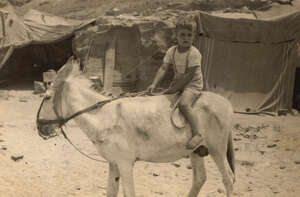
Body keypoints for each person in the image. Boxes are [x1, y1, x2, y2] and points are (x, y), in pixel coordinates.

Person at [146, 16, 205, 150]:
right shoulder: (172, 51)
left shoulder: (194, 53)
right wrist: (154, 84)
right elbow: (163, 68)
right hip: (178, 82)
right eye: (182, 35)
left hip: (192, 84)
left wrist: (174, 89)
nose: (186, 38)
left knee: (184, 104)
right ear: (176, 36)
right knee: (162, 103)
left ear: (194, 37)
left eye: (189, 35)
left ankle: (197, 134)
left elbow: (190, 75)